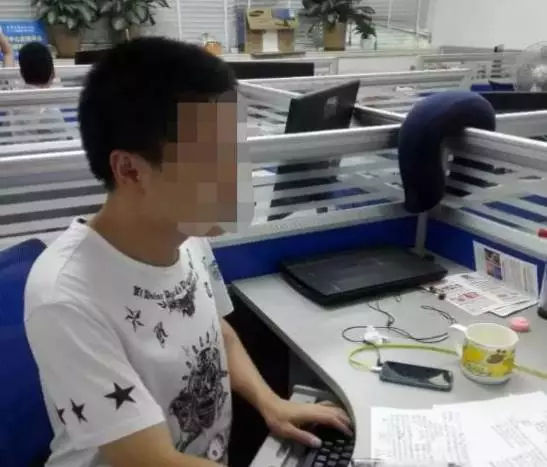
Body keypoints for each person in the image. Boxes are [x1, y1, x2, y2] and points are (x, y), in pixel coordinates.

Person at [24, 37, 351, 467]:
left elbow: (216, 333)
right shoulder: (65, 296)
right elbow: (151, 461)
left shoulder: (186, 234)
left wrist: (271, 402)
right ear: (130, 170)